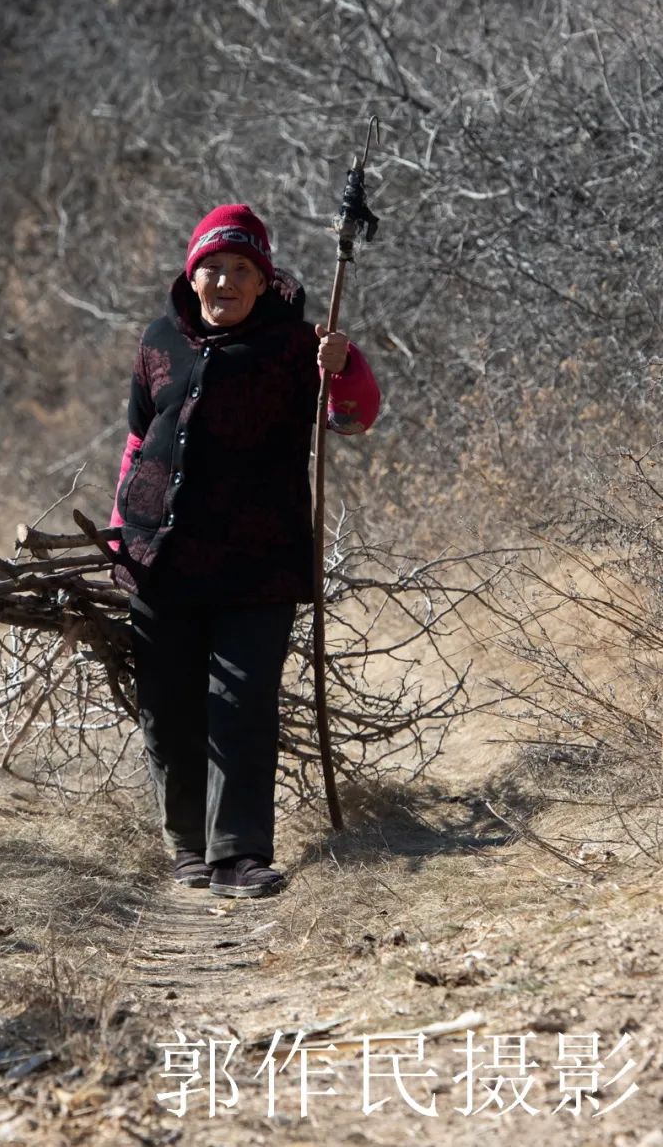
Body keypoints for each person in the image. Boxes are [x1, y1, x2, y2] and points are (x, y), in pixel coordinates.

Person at [109, 204, 380, 898]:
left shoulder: (297, 348)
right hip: (160, 557)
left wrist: (344, 368)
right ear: (191, 275)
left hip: (258, 562)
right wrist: (120, 535)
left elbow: (353, 418)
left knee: (242, 703)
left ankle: (239, 854)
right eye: (212, 269)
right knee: (168, 708)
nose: (225, 282)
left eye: (241, 270)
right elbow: (138, 440)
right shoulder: (159, 340)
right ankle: (187, 846)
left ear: (265, 281)